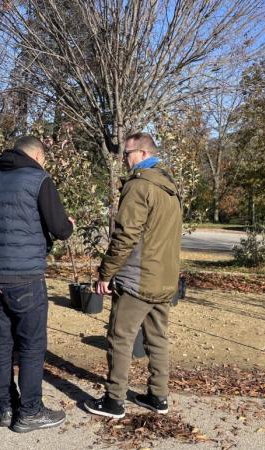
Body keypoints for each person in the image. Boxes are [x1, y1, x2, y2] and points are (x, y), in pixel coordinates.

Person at [0, 136, 73, 433]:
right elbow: (60, 229)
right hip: (25, 277)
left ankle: (7, 408)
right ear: (36, 154)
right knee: (32, 346)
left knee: (2, 342)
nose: (44, 163)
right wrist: (69, 223)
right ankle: (30, 411)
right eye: (44, 158)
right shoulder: (38, 179)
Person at [84, 132, 182, 419]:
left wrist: (106, 272)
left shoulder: (140, 186)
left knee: (120, 337)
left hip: (138, 278)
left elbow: (125, 235)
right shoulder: (170, 188)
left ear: (141, 153)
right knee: (157, 339)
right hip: (164, 279)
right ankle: (158, 396)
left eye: (126, 154)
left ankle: (114, 401)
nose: (124, 160)